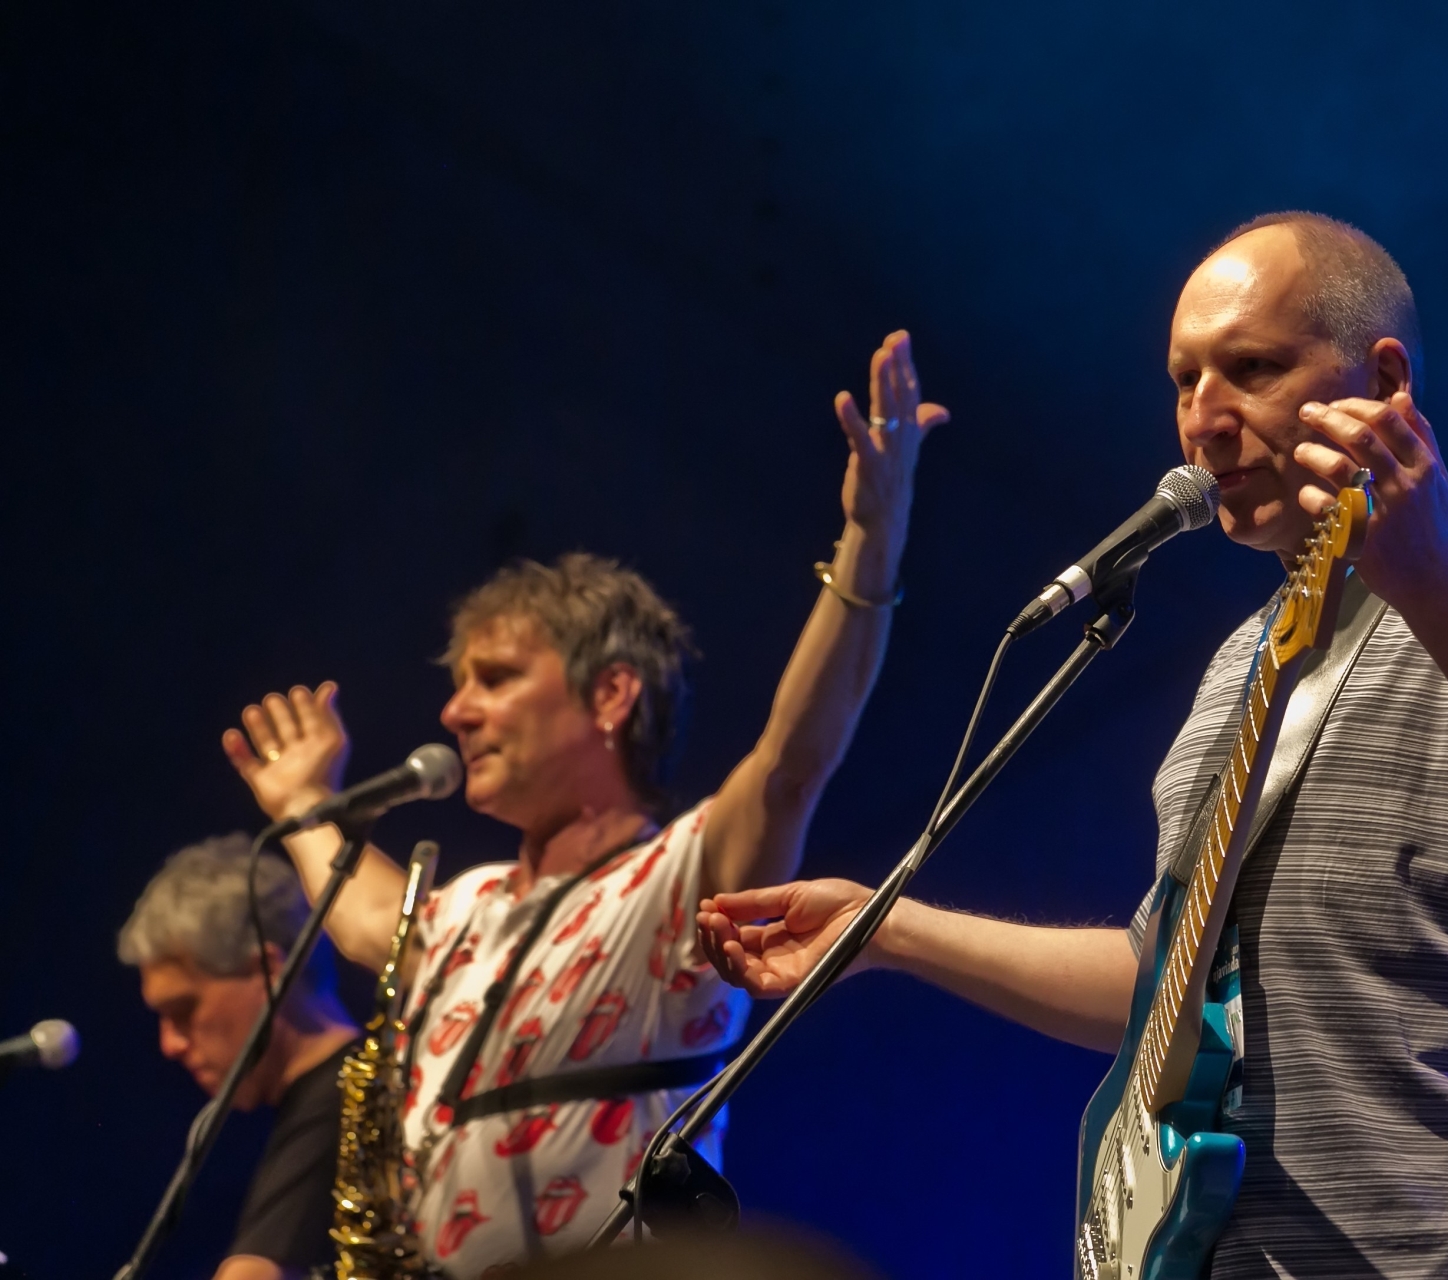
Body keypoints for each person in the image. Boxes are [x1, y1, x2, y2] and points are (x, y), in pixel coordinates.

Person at [697, 216, 1448, 1279]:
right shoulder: (1240, 668)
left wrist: (1432, 582)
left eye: (1253, 369)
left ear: (1383, 380)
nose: (1203, 418)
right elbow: (1166, 987)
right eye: (1184, 381)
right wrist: (884, 931)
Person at [221, 332, 947, 1277]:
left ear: (610, 696)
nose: (456, 711)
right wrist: (306, 802)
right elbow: (362, 919)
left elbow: (790, 765)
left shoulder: (677, 878)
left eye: (495, 678)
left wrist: (870, 544)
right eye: (460, 685)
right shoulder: (471, 905)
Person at [119, 834, 359, 1280]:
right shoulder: (319, 1099)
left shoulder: (348, 1094)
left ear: (268, 971)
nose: (169, 1045)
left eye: (183, 1010)